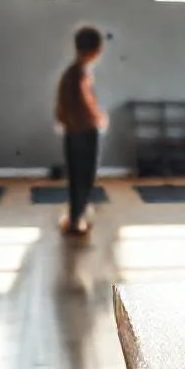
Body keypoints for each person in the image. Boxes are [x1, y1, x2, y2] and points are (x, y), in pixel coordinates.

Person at [54, 25, 107, 235]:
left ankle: (77, 216)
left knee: (79, 177)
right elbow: (84, 103)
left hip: (74, 130)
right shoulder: (78, 74)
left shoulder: (73, 72)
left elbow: (63, 105)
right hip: (83, 131)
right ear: (96, 50)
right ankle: (77, 219)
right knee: (83, 177)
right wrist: (97, 118)